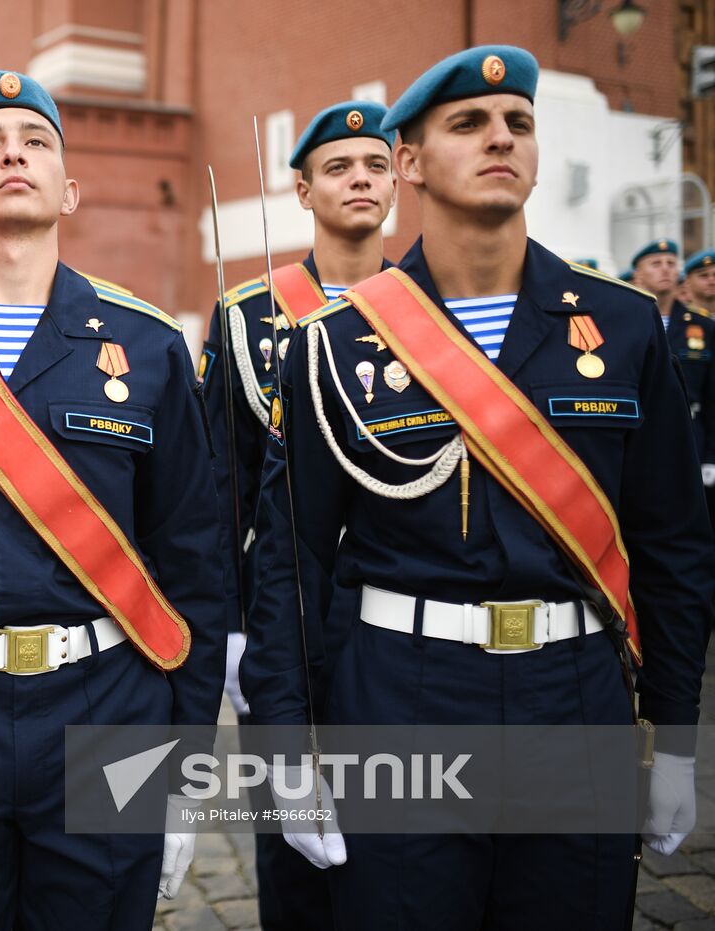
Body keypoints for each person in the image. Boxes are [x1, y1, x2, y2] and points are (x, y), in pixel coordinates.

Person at [245, 45, 713, 929]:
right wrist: (286, 744)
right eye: (469, 124)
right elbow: (290, 559)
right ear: (411, 164)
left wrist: (676, 738)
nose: (501, 136)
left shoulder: (617, 327)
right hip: (398, 697)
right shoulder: (336, 344)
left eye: (519, 123)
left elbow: (671, 544)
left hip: (574, 696)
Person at [0, 70, 226, 929]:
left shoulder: (145, 346)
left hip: (106, 705)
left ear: (68, 189)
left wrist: (183, 772)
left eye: (36, 142)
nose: (13, 153)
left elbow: (193, 559)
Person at [201, 99, 396, 931]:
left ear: (400, 179)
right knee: (296, 859)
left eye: (376, 164)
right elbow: (218, 490)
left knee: (403, 844)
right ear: (303, 189)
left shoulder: (436, 310)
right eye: (340, 167)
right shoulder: (248, 317)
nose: (361, 179)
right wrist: (234, 632)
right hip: (288, 628)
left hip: (399, 625)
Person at [630, 240, 715, 508]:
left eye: (670, 263)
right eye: (656, 264)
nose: (666, 270)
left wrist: (711, 455)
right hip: (639, 436)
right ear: (638, 275)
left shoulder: (703, 326)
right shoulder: (622, 321)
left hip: (692, 437)